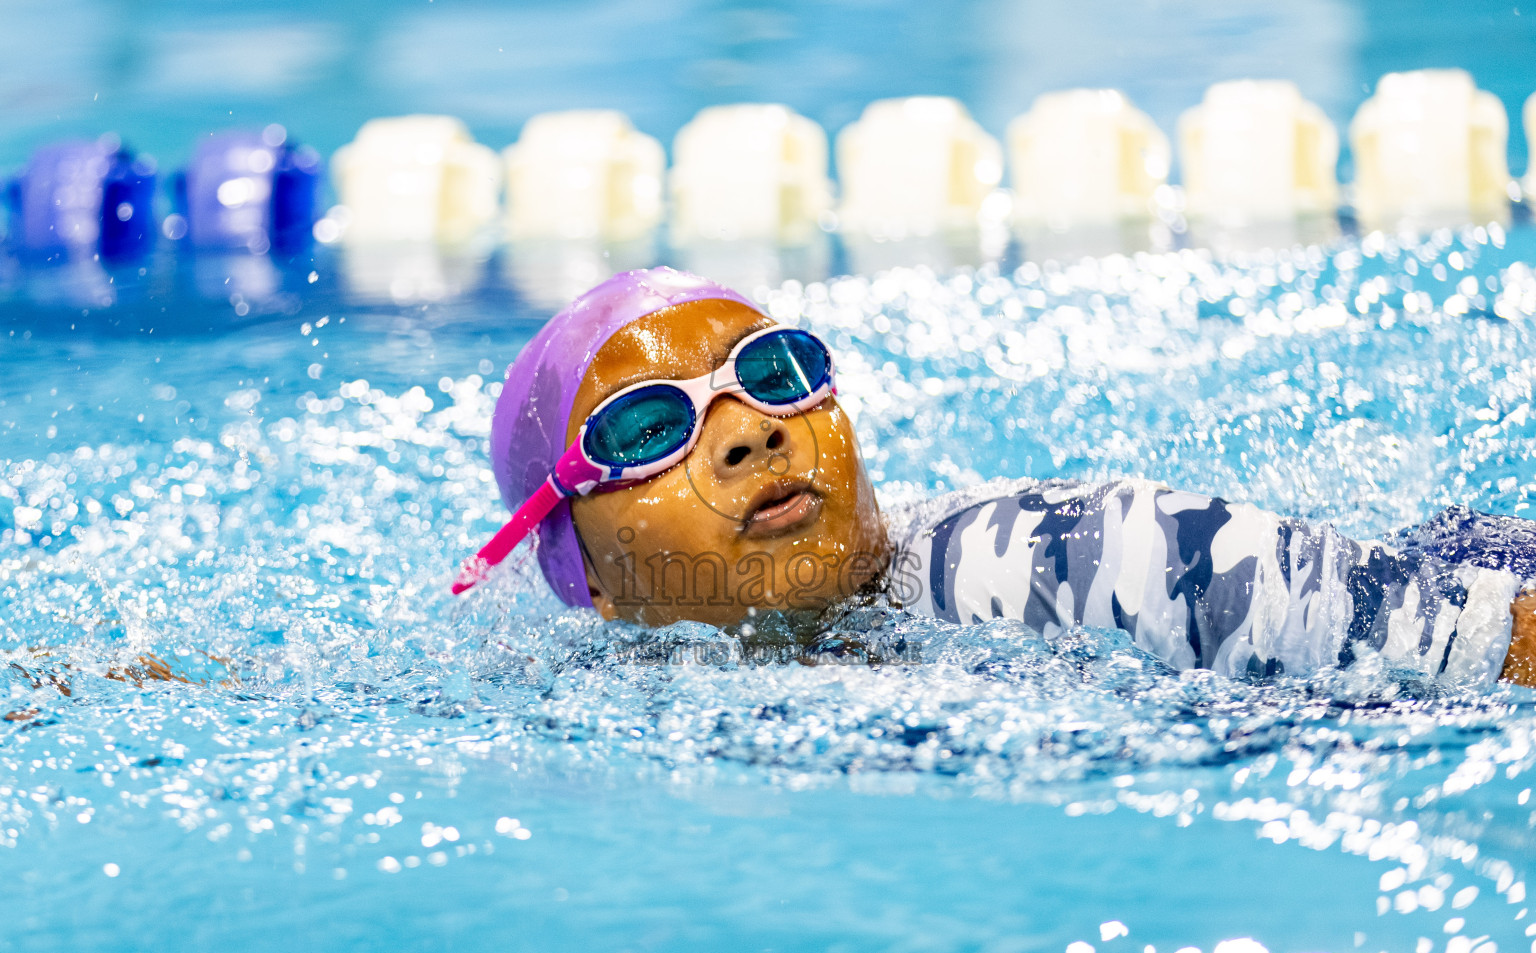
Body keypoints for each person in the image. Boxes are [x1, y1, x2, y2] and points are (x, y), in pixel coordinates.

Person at [454, 267, 1536, 687]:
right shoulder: (582, 705)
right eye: (649, 428)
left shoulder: (1103, 559)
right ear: (581, 573)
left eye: (775, 374)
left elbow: (1510, 654)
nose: (749, 435)